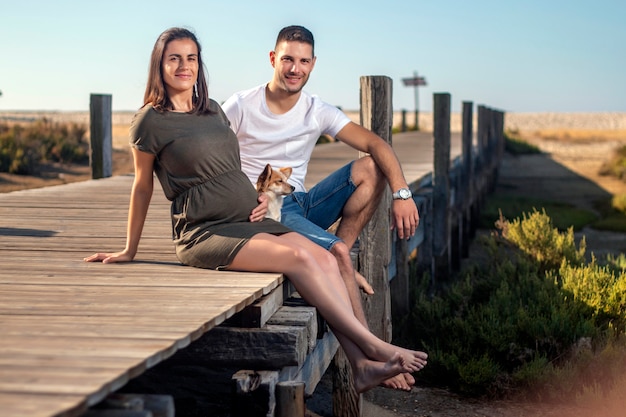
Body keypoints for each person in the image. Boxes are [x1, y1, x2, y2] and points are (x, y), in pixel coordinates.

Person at [83, 27, 427, 394]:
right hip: (206, 230)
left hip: (252, 215)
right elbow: (142, 185)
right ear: (159, 65)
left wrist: (264, 195)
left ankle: (360, 367)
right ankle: (374, 348)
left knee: (327, 259)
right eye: (174, 58)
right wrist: (129, 249)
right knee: (301, 258)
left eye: (191, 58)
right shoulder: (150, 121)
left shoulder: (212, 110)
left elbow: (231, 167)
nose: (184, 66)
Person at [222, 25, 420, 390]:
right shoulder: (240, 105)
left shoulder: (316, 110)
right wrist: (246, 196)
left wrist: (402, 193)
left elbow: (375, 143)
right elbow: (213, 159)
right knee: (341, 253)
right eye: (287, 59)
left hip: (299, 202)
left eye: (302, 61)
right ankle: (374, 358)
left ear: (313, 64)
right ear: (272, 59)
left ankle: (340, 262)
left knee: (370, 167)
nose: (294, 68)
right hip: (267, 209)